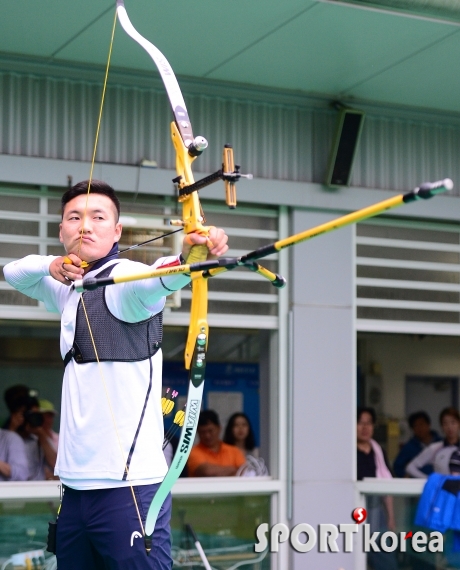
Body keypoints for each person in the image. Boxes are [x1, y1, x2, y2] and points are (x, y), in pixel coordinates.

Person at [3, 180, 229, 570]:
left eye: (98, 217)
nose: (85, 226)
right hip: (73, 491)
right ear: (62, 231)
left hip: (130, 490)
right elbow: (12, 273)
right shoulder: (66, 289)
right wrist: (51, 265)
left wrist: (190, 253)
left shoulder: (126, 282)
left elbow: (161, 276)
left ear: (117, 231)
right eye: (74, 217)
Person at [357, 407, 398, 570]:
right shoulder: (347, 452)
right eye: (360, 423)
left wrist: (391, 517)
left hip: (376, 513)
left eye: (369, 423)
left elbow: (386, 485)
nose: (365, 427)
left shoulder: (378, 451)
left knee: (386, 561)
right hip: (353, 512)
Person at [187, 410, 246, 477]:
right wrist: (234, 469)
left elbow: (244, 473)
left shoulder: (234, 451)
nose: (207, 436)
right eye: (203, 432)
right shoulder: (193, 452)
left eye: (210, 431)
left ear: (219, 428)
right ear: (197, 432)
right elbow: (208, 472)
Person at [406, 407, 460, 478]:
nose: (449, 427)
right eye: (445, 423)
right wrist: (429, 480)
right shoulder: (435, 448)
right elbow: (410, 467)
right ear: (442, 427)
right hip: (441, 488)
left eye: (453, 422)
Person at [17, 396, 57, 481]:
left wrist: (41, 435)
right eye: (30, 415)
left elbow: (55, 464)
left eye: (36, 416)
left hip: (36, 489)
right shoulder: (7, 438)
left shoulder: (40, 439)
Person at [393, 411, 441, 478]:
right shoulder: (409, 447)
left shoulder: (441, 443)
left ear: (428, 424)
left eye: (421, 424)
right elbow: (397, 466)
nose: (419, 428)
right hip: (417, 483)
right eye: (415, 426)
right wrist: (404, 475)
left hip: (440, 482)